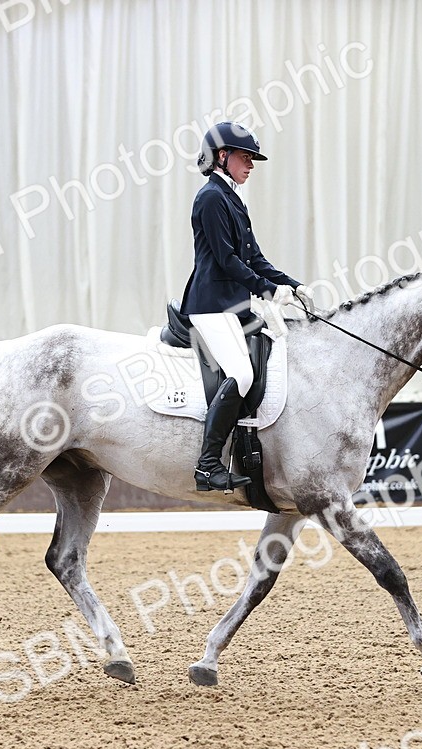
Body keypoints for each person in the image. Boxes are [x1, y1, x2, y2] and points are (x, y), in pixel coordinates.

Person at [180, 121, 314, 492]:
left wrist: (291, 284)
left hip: (234, 306)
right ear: (221, 157)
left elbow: (254, 257)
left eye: (252, 157)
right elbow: (226, 260)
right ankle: (208, 465)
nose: (251, 164)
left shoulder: (233, 198)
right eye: (245, 156)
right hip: (210, 305)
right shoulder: (210, 198)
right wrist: (269, 291)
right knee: (241, 374)